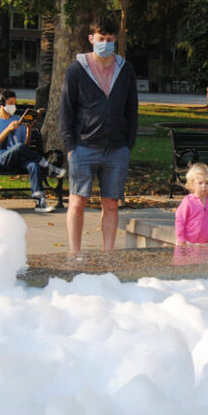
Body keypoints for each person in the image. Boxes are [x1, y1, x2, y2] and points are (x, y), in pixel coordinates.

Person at [58, 15, 138, 252]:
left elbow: (132, 109)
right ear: (92, 39)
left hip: (116, 150)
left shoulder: (125, 69)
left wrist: (127, 144)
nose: (105, 43)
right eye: (101, 38)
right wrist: (70, 147)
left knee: (111, 204)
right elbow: (66, 110)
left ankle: (108, 255)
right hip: (83, 147)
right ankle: (74, 254)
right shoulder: (77, 70)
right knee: (77, 202)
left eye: (110, 39)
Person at [0, 89, 66, 213]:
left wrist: (28, 131)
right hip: (1, 159)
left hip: (18, 158)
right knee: (19, 148)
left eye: (15, 103)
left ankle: (40, 202)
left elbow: (25, 146)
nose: (13, 106)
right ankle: (48, 166)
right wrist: (7, 130)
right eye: (10, 103)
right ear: (2, 103)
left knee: (33, 165)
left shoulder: (17, 119)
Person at [175, 163, 208, 245]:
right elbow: (180, 221)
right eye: (200, 183)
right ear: (192, 185)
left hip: (204, 243)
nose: (204, 186)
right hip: (187, 241)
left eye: (207, 183)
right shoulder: (188, 201)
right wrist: (180, 238)